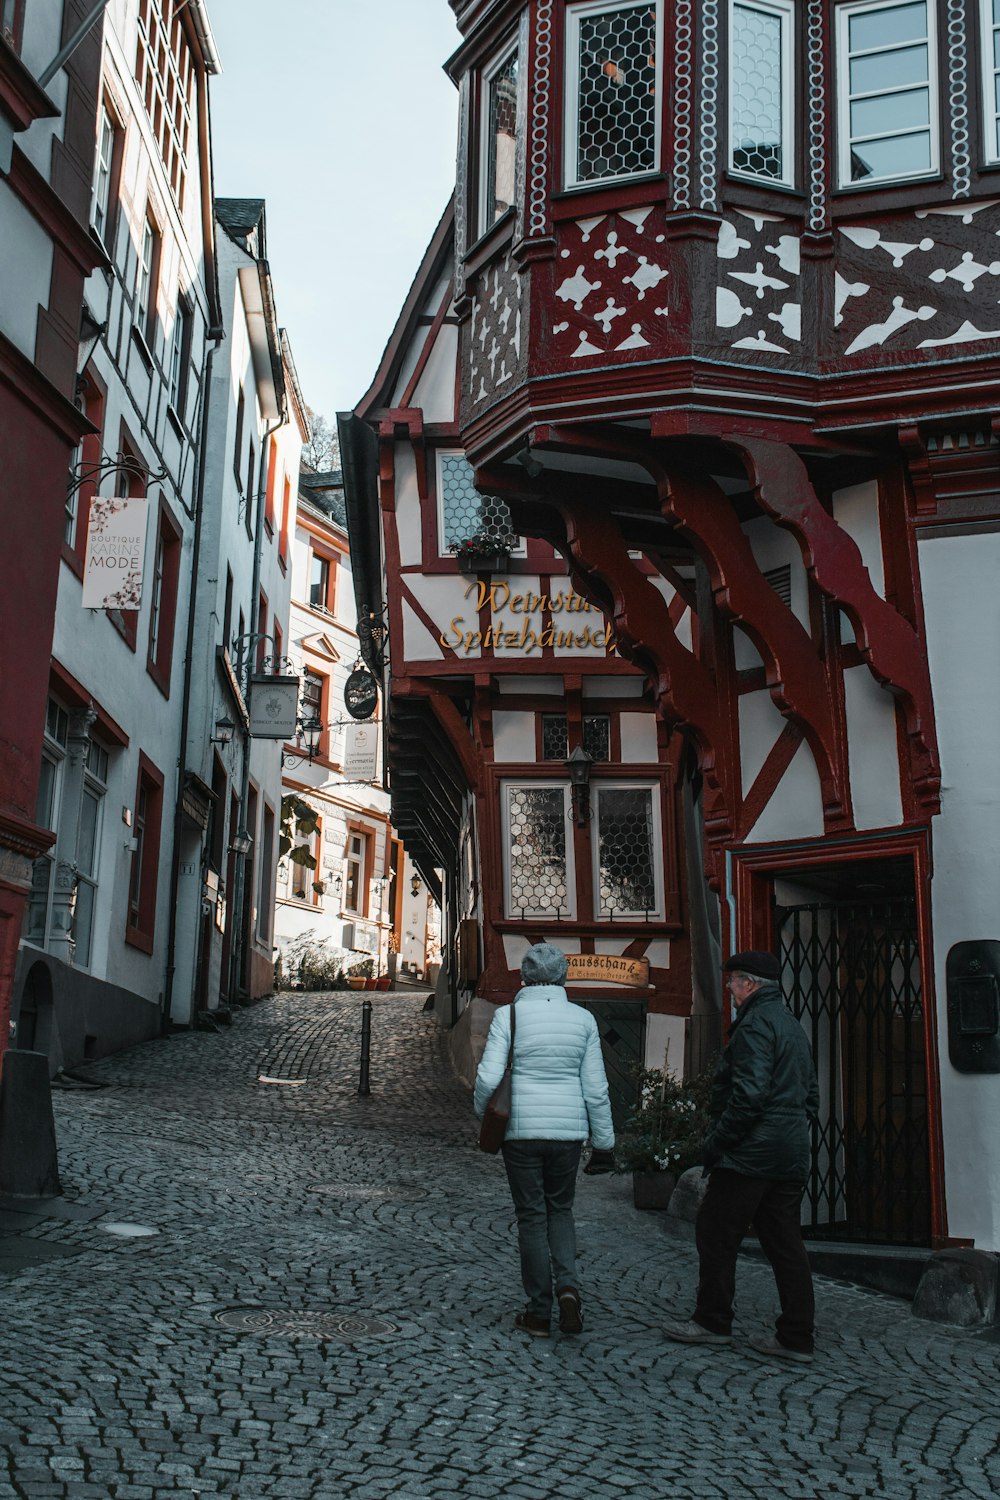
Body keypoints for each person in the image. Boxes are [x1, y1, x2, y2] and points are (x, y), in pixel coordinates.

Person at [664, 950, 819, 1363]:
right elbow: (811, 1096)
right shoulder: (791, 1026)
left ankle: (712, 1321)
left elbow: (748, 1097)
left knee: (716, 1231)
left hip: (751, 1153)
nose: (730, 990)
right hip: (788, 1150)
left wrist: (717, 1144)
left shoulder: (753, 1028)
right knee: (785, 1242)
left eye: (733, 982)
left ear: (748, 984)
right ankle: (796, 1335)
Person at [474, 942, 615, 1338]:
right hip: (567, 1134)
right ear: (564, 977)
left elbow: (487, 1078)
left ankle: (539, 1312)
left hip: (520, 1132)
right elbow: (596, 1089)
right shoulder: (583, 1020)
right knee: (561, 1211)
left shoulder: (509, 1016)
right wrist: (604, 1142)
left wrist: (484, 1118)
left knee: (531, 1216)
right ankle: (568, 1288)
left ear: (524, 977)